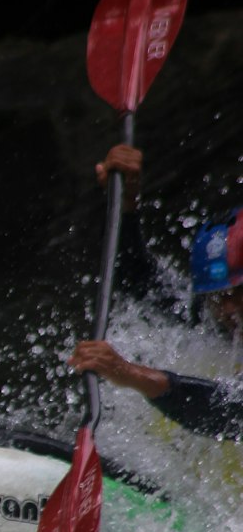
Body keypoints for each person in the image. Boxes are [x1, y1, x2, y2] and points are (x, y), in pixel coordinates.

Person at [69, 145, 243, 440]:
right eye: (218, 297)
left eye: (238, 293)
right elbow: (139, 282)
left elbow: (231, 415)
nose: (227, 309)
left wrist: (132, 374)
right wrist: (124, 203)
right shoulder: (213, 325)